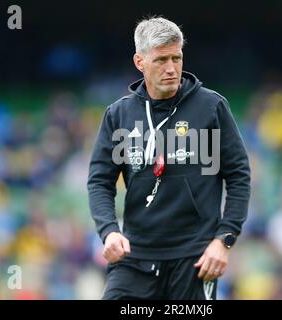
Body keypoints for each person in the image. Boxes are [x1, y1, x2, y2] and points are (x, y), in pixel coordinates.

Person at [87, 16, 251, 300]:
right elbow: (100, 181)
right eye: (161, 60)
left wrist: (224, 240)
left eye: (177, 58)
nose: (171, 68)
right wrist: (109, 231)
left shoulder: (211, 107)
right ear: (140, 62)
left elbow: (238, 176)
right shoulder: (119, 115)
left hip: (196, 257)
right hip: (135, 255)